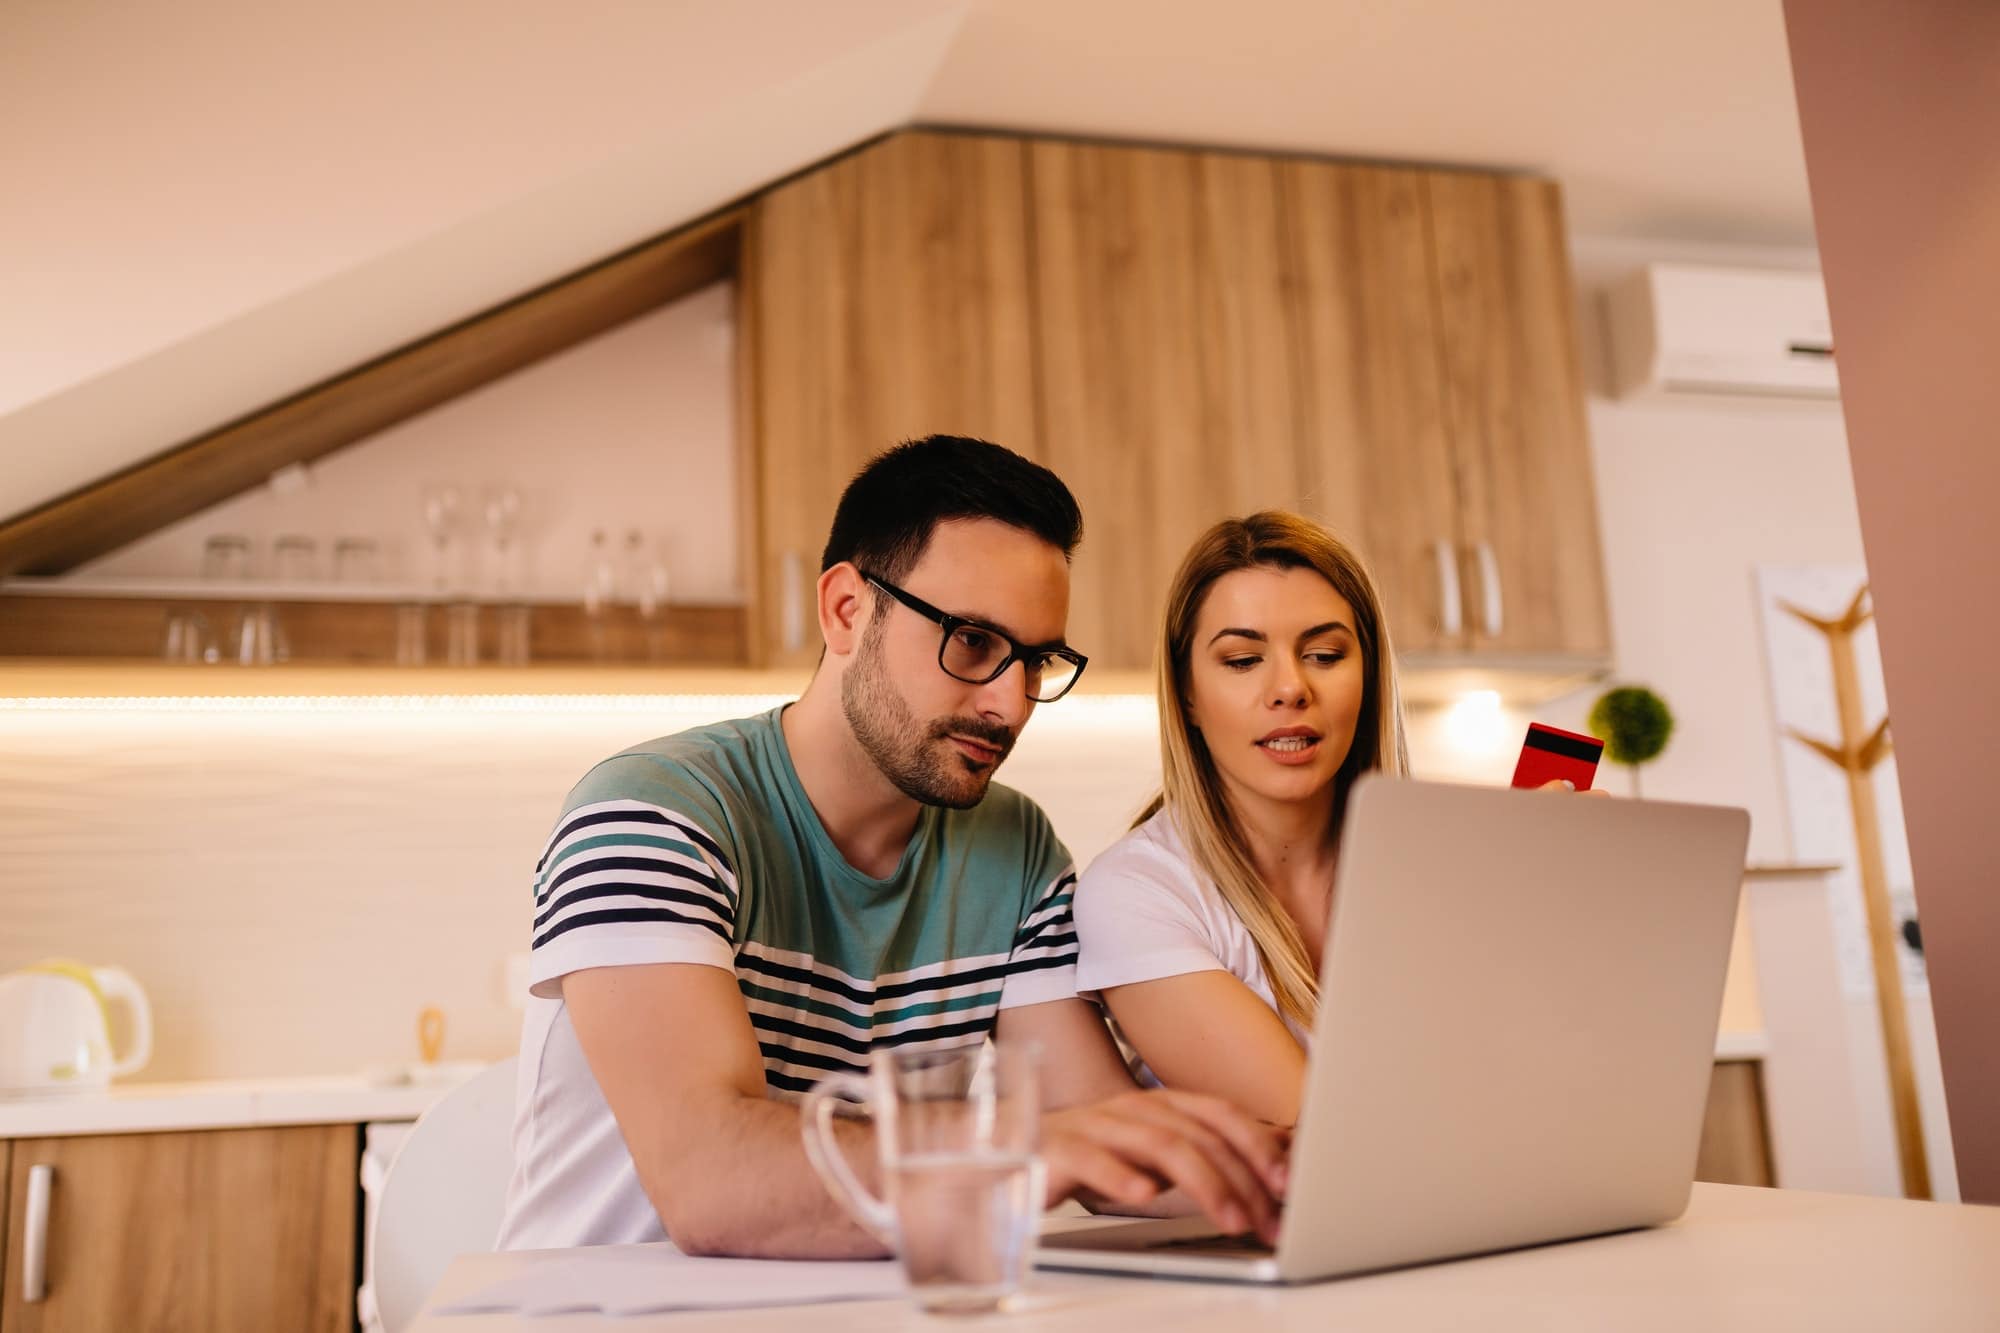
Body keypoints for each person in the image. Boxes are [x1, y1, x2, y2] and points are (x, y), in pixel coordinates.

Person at [496, 437, 1287, 1259]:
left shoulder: (1013, 849)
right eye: (973, 641)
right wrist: (1029, 1147)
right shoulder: (650, 814)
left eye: (1036, 660)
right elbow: (710, 1181)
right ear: (845, 609)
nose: (1010, 703)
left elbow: (1091, 1136)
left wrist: (1296, 1157)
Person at [1073, 510, 1407, 1126]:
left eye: (1325, 654)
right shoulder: (1137, 893)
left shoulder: (1434, 866)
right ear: (1188, 695)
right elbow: (1323, 1136)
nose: (1290, 688)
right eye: (1242, 660)